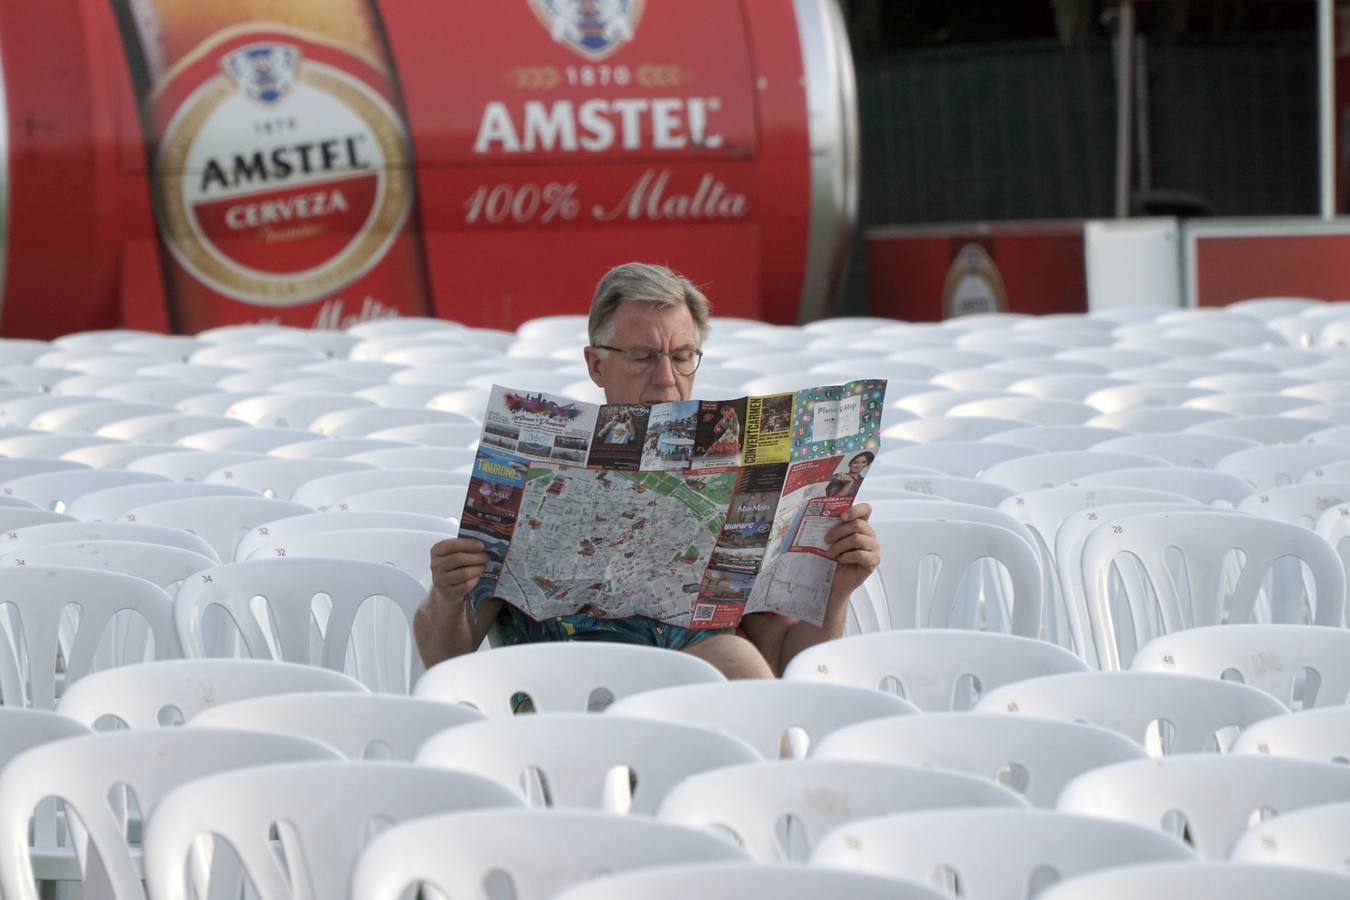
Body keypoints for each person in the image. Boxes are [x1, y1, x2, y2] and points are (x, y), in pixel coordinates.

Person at [414, 262, 881, 679]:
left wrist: (838, 588)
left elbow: (785, 663)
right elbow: (445, 663)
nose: (665, 378)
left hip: (698, 687)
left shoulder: (735, 471)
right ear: (596, 364)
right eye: (642, 357)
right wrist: (446, 595)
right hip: (564, 688)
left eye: (681, 357)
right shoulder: (539, 471)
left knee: (743, 668)